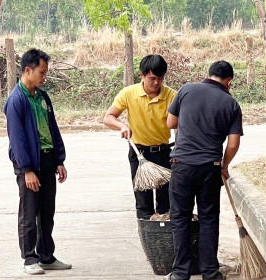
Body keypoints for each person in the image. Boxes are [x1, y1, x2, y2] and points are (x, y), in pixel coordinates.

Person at [165, 61, 243, 280]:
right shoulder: (231, 103)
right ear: (229, 82)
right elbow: (234, 144)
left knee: (180, 218)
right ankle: (210, 272)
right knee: (209, 218)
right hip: (210, 168)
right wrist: (224, 166)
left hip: (182, 165)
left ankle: (180, 272)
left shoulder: (187, 89)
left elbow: (171, 123)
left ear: (208, 75)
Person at [4, 49, 71, 275]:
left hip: (48, 160)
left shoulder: (42, 97)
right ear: (28, 70)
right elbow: (17, 140)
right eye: (42, 72)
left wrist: (59, 160)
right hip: (29, 164)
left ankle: (46, 256)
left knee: (46, 212)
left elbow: (52, 129)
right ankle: (29, 258)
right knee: (29, 213)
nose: (44, 77)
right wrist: (26, 170)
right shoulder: (16, 100)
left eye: (46, 72)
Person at [103, 54, 176, 220]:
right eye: (152, 78)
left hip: (164, 153)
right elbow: (108, 117)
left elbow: (179, 124)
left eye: (160, 78)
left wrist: (178, 149)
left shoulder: (172, 96)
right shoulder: (128, 94)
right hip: (139, 154)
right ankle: (148, 241)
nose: (156, 83)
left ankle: (164, 243)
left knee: (167, 205)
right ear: (142, 75)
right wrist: (122, 126)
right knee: (143, 205)